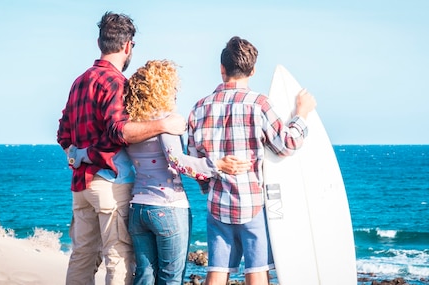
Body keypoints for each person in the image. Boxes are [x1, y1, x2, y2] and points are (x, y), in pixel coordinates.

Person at [56, 12, 186, 285]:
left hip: (81, 186)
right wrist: (164, 124)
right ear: (128, 46)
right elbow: (121, 131)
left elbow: (63, 134)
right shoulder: (116, 83)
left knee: (82, 256)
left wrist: (78, 156)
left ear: (99, 42)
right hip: (109, 182)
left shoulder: (79, 81)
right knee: (118, 256)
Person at [186, 36, 316, 285]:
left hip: (217, 204)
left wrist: (208, 187)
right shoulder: (259, 104)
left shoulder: (199, 108)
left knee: (216, 271)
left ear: (222, 69)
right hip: (253, 203)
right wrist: (301, 114)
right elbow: (286, 144)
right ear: (253, 70)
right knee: (256, 272)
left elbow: (195, 163)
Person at [120, 59, 251, 285]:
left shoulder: (134, 124)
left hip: (138, 208)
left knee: (144, 276)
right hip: (168, 207)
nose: (175, 92)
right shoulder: (165, 121)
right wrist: (216, 165)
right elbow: (178, 161)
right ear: (162, 87)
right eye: (173, 87)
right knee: (170, 279)